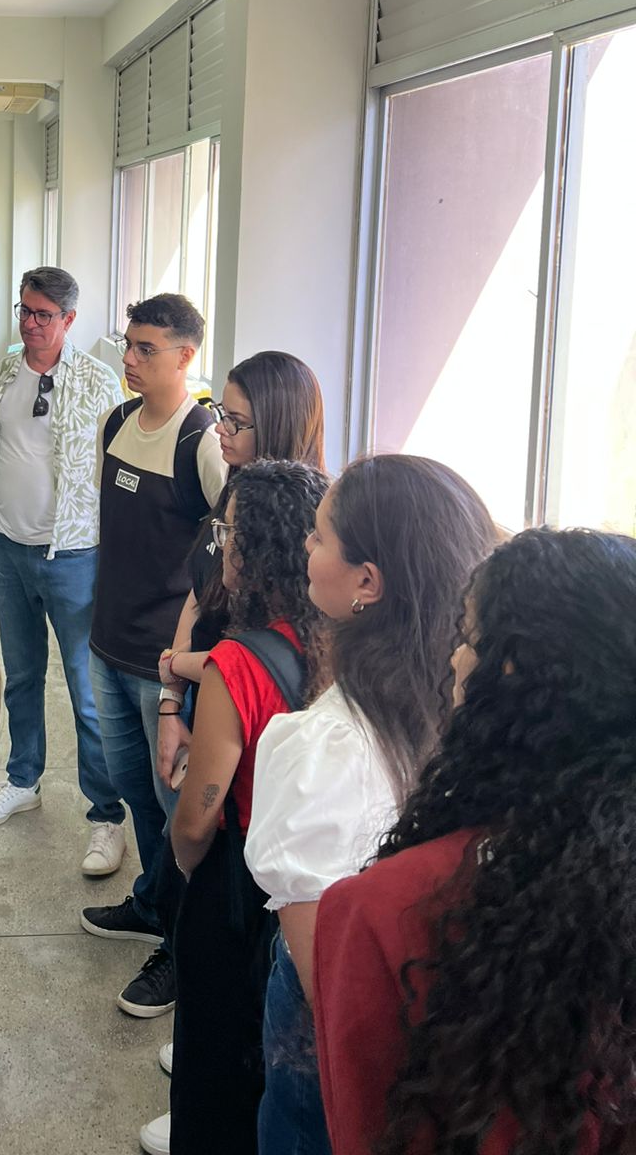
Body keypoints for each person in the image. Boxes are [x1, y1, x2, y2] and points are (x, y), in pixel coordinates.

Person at [314, 527, 636, 1155]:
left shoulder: (382, 910)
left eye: (468, 638)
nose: (456, 659)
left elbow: (365, 1132)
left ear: (512, 672)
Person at [244, 454, 497, 1155]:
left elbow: (327, 988)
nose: (305, 543)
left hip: (337, 1054)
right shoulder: (471, 703)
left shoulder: (324, 747)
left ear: (367, 582)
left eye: (321, 535)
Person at [136, 460, 329, 1155]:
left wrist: (192, 870)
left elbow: (194, 820)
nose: (220, 545)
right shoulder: (334, 642)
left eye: (230, 532)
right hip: (307, 888)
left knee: (212, 1068)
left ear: (258, 549)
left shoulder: (238, 666)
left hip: (238, 880)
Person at [82, 293, 226, 1019]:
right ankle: (150, 901)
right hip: (107, 642)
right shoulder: (115, 423)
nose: (131, 360)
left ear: (185, 356)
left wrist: (189, 664)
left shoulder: (202, 442)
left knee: (177, 811)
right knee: (135, 790)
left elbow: (227, 557)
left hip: (164, 662)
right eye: (129, 346)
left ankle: (181, 944)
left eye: (147, 349)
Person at [0, 266, 127, 877]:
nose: (30, 324)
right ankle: (22, 779)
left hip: (76, 555)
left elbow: (118, 470)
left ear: (69, 320)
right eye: (24, 311)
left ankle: (106, 814)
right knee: (22, 676)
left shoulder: (99, 382)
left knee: (87, 692)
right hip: (10, 551)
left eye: (43, 315)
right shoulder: (0, 376)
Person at [156, 350, 327, 807]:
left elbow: (256, 662)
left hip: (245, 720)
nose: (219, 429)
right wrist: (171, 700)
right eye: (221, 413)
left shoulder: (304, 529)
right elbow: (199, 592)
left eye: (236, 422)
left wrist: (174, 666)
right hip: (200, 693)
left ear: (276, 427)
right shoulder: (234, 487)